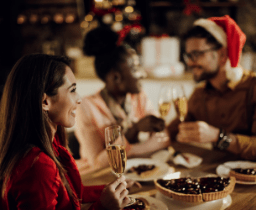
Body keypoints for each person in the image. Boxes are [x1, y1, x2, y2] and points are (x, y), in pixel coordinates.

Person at [0, 54, 136, 210]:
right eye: (72, 90)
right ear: (45, 102)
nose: (79, 99)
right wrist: (103, 207)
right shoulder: (38, 166)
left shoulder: (52, 143)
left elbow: (69, 194)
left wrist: (110, 190)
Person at [74, 27, 170, 171]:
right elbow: (97, 164)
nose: (142, 74)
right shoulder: (86, 107)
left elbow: (164, 139)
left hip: (134, 173)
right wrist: (134, 131)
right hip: (99, 179)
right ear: (116, 77)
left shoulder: (138, 96)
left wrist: (127, 151)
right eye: (135, 68)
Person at [168, 15, 256, 160]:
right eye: (188, 56)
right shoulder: (199, 94)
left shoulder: (253, 87)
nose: (190, 62)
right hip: (216, 175)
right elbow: (173, 130)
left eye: (196, 54)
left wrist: (218, 136)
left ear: (222, 54)